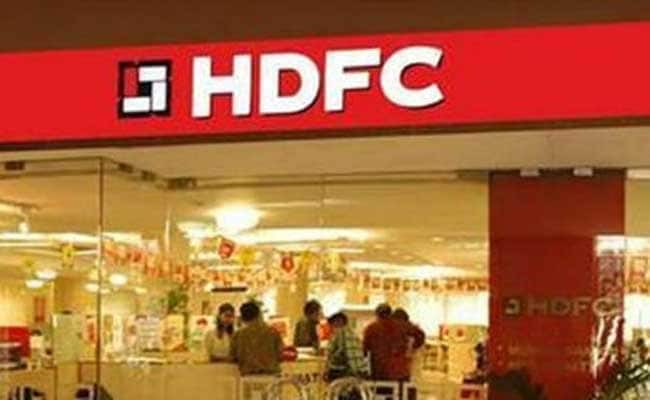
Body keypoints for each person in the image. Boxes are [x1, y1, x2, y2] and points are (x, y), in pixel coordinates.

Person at [363, 304, 423, 382]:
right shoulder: (401, 325)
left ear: (377, 315)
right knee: (401, 389)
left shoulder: (371, 329)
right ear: (390, 313)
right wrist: (413, 347)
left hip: (379, 371)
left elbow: (364, 350)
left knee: (381, 389)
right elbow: (420, 334)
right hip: (400, 371)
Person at [230, 301, 284, 375]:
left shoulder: (238, 335)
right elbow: (280, 355)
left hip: (247, 376)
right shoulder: (273, 332)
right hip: (271, 375)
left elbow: (233, 357)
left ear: (242, 317)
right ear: (259, 314)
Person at [325, 312, 370, 382]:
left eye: (332, 323)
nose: (332, 326)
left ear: (338, 321)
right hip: (360, 372)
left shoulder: (339, 333)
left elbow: (335, 352)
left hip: (346, 372)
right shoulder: (354, 334)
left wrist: (329, 365)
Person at [391, 308, 426, 381]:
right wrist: (414, 346)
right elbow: (421, 335)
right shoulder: (410, 326)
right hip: (407, 357)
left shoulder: (395, 326)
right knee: (409, 376)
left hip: (397, 358)